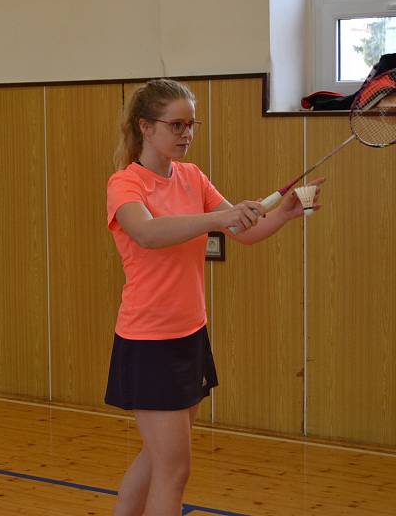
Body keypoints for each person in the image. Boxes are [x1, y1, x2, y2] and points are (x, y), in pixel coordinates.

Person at [105, 79, 323, 516]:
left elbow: (244, 232)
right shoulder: (126, 184)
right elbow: (146, 233)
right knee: (174, 469)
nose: (186, 134)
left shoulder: (192, 177)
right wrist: (216, 216)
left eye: (192, 125)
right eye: (176, 125)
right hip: (148, 342)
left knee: (157, 459)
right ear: (145, 127)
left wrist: (282, 214)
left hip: (190, 334)